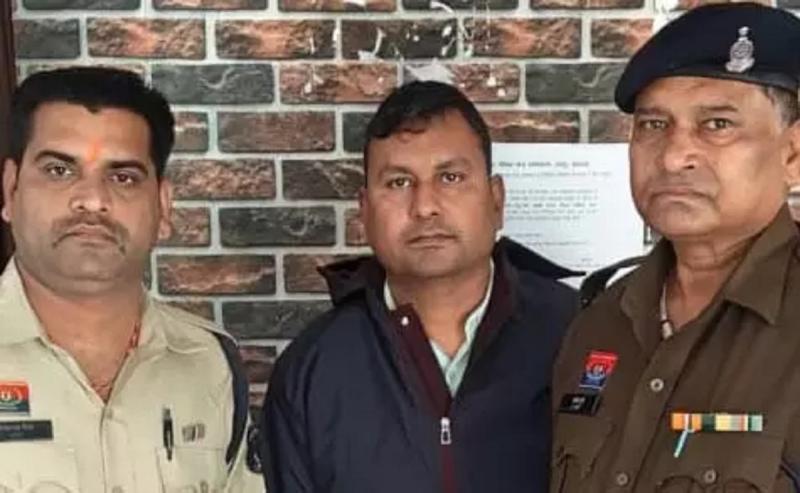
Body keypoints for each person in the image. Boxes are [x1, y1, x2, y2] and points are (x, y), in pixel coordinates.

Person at [261, 80, 579, 493]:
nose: (425, 206)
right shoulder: (312, 370)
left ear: (496, 200)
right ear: (364, 211)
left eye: (450, 177)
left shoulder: (580, 333)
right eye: (398, 182)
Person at [551, 3, 800, 492]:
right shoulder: (600, 320)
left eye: (717, 124)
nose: (673, 156)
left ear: (792, 155)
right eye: (653, 125)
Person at [0, 67, 263, 492]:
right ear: (10, 190)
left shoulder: (209, 363)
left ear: (163, 205)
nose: (92, 200)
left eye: (123, 177)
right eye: (59, 170)